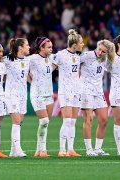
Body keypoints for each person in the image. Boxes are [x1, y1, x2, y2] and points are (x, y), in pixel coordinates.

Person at [80, 40, 115, 156]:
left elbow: (113, 68)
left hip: (98, 91)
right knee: (88, 119)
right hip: (86, 90)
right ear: (97, 46)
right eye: (99, 49)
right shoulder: (86, 56)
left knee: (104, 120)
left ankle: (98, 149)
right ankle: (89, 150)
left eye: (103, 52)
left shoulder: (106, 60)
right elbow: (73, 66)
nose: (100, 53)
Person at [52, 29, 84, 157]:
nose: (82, 45)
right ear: (74, 44)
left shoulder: (77, 56)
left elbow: (77, 73)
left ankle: (71, 149)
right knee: (66, 121)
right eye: (81, 43)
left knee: (73, 122)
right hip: (65, 91)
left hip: (76, 91)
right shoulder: (60, 55)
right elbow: (50, 69)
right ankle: (62, 150)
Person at [4, 38, 30, 157]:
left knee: (20, 123)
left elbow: (27, 76)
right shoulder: (8, 60)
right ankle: (18, 150)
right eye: (27, 45)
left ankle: (13, 151)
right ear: (20, 47)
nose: (29, 47)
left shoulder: (28, 60)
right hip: (11, 94)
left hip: (23, 94)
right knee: (16, 121)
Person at [29, 37, 54, 157]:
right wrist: (30, 81)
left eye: (51, 47)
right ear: (41, 47)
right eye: (48, 47)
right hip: (37, 94)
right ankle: (41, 150)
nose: (51, 49)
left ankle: (40, 151)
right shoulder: (33, 59)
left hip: (49, 93)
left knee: (46, 123)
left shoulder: (52, 58)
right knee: (43, 121)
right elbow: (21, 67)